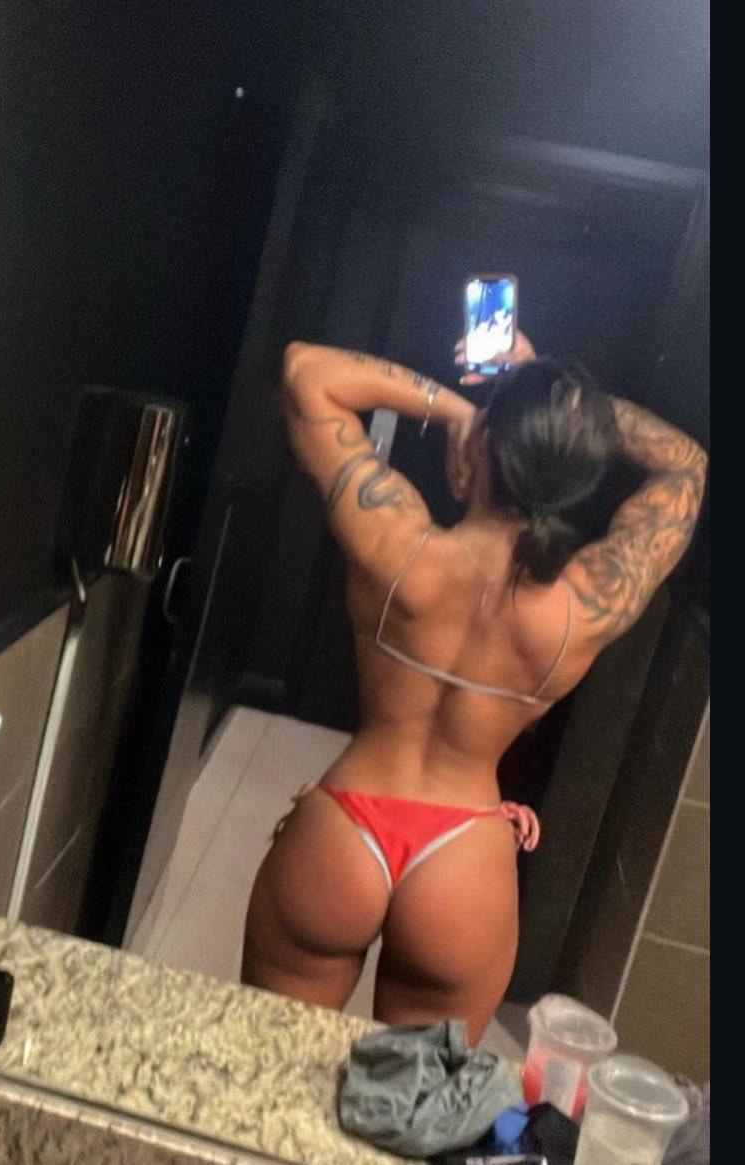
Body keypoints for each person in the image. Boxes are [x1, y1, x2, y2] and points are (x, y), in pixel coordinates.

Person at [240, 330, 707, 1044]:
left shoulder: (396, 540)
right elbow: (686, 464)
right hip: (462, 861)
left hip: (342, 831)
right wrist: (553, 405)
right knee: (414, 1100)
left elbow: (306, 370)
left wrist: (462, 409)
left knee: (262, 1067)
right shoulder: (586, 603)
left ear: (480, 450)